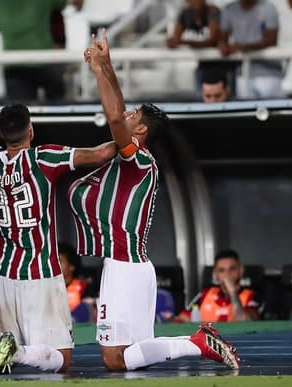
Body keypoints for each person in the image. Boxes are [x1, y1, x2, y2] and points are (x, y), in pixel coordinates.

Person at [68, 29, 240, 373]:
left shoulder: (137, 158)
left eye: (133, 116)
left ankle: (196, 343)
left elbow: (115, 117)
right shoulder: (135, 159)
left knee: (114, 359)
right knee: (131, 356)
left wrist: (101, 71)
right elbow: (119, 114)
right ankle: (198, 343)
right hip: (134, 266)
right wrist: (106, 67)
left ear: (140, 131)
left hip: (123, 267)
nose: (125, 115)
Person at [0, 24, 116, 375]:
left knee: (17, 360)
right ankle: (14, 353)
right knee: (62, 358)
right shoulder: (46, 158)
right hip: (40, 270)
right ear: (31, 131)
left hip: (2, 270)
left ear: (0, 133)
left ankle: (7, 349)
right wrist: (129, 132)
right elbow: (101, 153)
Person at [0, 0, 83, 102]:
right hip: (47, 61)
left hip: (15, 66)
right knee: (57, 114)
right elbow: (77, 3)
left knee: (18, 117)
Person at [219, 0, 283, 99]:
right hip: (243, 73)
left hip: (268, 72)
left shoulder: (268, 7)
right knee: (245, 112)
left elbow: (271, 40)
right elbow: (222, 38)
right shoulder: (229, 9)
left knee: (272, 111)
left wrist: (242, 47)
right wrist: (223, 46)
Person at [176, 249, 261, 322]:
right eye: (221, 270)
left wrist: (233, 292)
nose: (227, 275)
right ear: (215, 274)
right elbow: (182, 319)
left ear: (241, 271)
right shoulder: (206, 294)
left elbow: (246, 322)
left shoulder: (251, 295)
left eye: (232, 269)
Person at [58, 242, 94, 323]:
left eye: (59, 261)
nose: (55, 265)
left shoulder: (84, 288)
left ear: (71, 266)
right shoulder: (46, 288)